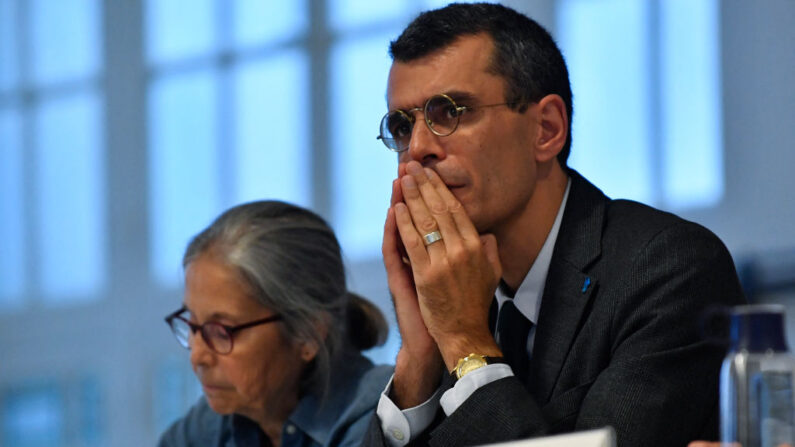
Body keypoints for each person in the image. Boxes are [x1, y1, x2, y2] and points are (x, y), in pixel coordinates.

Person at [363, 3, 745, 446]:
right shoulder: (453, 299)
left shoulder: (670, 270)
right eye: (402, 125)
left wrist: (465, 343)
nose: (419, 148)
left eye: (450, 112)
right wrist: (419, 358)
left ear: (546, 129)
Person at [158, 200, 392, 447]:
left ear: (308, 334)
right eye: (192, 325)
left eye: (221, 332)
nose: (197, 357)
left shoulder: (380, 420)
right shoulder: (213, 421)